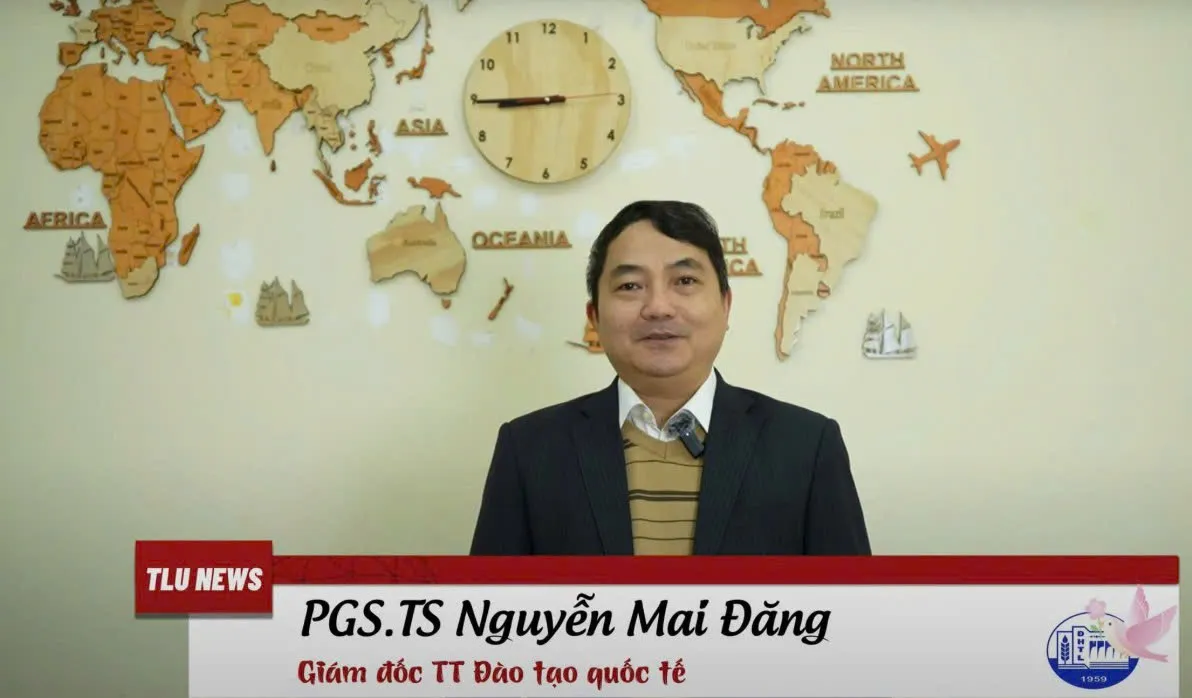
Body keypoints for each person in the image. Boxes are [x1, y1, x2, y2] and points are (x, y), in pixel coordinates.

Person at [469, 200, 871, 555]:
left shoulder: (806, 446)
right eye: (630, 285)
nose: (658, 307)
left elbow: (851, 611)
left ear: (725, 306)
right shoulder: (529, 450)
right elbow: (490, 611)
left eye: (685, 281)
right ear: (594, 317)